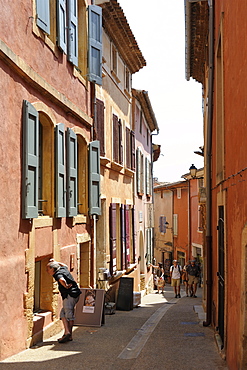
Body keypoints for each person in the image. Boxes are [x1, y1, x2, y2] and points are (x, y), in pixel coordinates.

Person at [46, 259, 81, 343]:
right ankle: (67, 333)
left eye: (48, 269)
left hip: (69, 296)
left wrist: (65, 286)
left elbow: (62, 280)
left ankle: (69, 334)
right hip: (75, 294)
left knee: (69, 315)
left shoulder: (58, 274)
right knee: (63, 314)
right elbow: (65, 265)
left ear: (53, 269)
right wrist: (56, 262)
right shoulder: (62, 269)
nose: (47, 271)